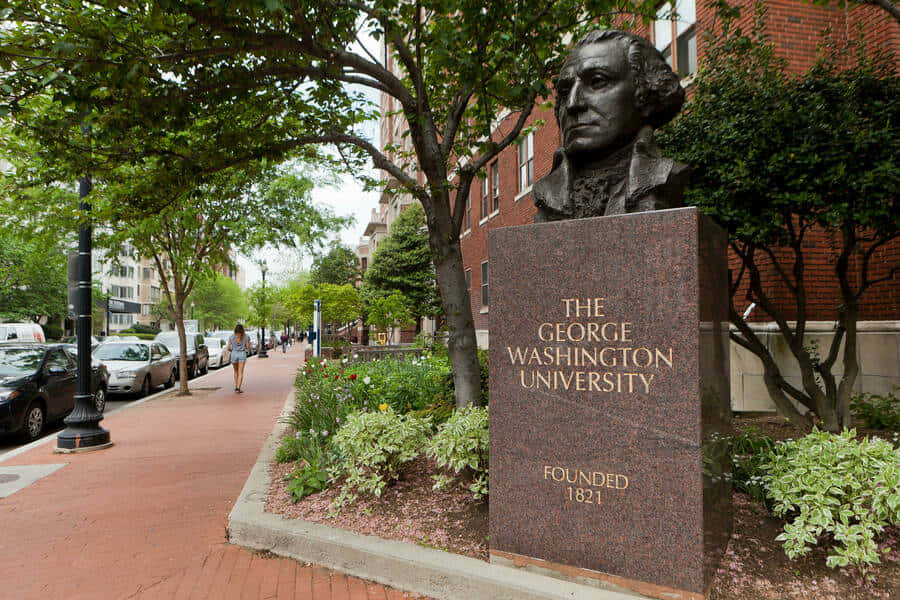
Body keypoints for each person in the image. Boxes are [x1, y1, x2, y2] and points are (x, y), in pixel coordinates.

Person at [534, 30, 688, 222]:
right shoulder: (546, 197)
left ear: (644, 92)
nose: (573, 103)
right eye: (565, 91)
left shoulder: (665, 179)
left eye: (597, 81)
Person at [226, 323, 250, 393]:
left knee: (235, 371)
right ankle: (238, 388)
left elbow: (228, 348)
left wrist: (233, 350)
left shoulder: (231, 337)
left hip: (234, 353)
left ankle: (236, 385)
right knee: (240, 372)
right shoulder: (246, 337)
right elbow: (248, 347)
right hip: (242, 354)